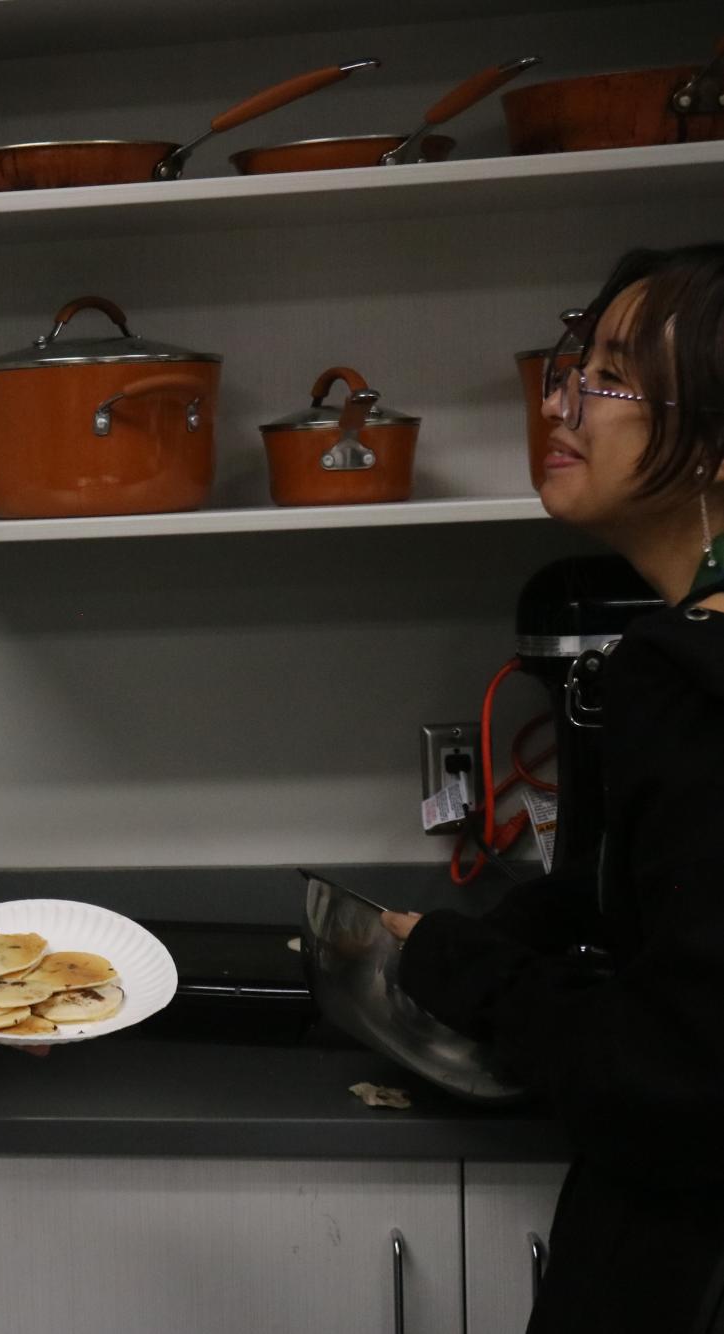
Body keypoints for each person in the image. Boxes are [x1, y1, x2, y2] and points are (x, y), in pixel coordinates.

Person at [383, 244, 724, 1334]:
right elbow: (649, 886)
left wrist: (463, 969)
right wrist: (510, 925)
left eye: (611, 378)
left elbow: (675, 1077)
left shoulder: (686, 683)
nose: (564, 402)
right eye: (571, 369)